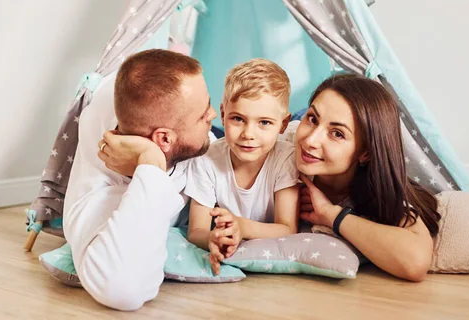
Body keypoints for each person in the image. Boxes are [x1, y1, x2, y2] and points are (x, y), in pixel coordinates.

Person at [63, 49, 217, 311]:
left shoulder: (136, 93)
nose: (213, 113)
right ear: (163, 139)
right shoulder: (98, 197)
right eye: (203, 115)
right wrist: (150, 162)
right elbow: (121, 290)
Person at [294, 74, 440, 282]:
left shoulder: (374, 190)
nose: (310, 141)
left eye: (337, 133)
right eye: (312, 119)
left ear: (365, 153)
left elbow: (415, 262)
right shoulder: (279, 149)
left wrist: (332, 215)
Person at [185, 59, 300, 275]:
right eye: (238, 119)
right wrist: (213, 238)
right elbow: (196, 231)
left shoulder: (286, 158)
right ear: (223, 113)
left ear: (282, 124)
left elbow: (288, 228)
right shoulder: (206, 160)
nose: (248, 134)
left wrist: (241, 226)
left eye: (264, 122)